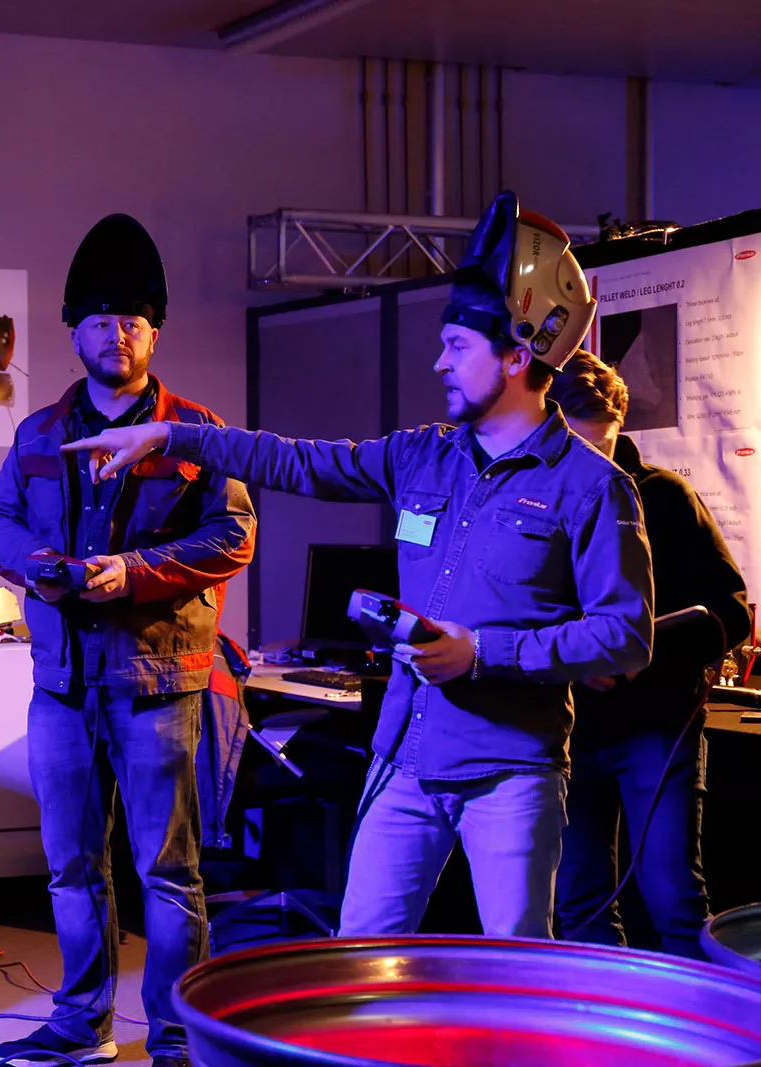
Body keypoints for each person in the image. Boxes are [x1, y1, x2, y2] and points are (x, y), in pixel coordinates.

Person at [59, 192, 655, 940]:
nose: (439, 361)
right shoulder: (423, 455)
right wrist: (172, 436)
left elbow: (626, 636)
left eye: (457, 346)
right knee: (361, 959)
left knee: (514, 964)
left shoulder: (593, 487)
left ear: (517, 355)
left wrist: (481, 651)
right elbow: (297, 461)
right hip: (404, 758)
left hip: (512, 775)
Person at [0, 213, 256, 1067]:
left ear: (153, 331)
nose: (116, 334)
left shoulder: (196, 432)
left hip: (158, 686)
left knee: (168, 870)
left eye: (132, 320)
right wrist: (34, 564)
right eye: (101, 320)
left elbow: (234, 534)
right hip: (62, 685)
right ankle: (80, 1023)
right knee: (71, 865)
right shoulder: (38, 434)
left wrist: (132, 572)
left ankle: (173, 1036)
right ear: (76, 331)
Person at [549, 351, 749, 957]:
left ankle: (698, 1020)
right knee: (579, 902)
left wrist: (638, 655)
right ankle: (597, 1018)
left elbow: (732, 610)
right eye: (578, 451)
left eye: (602, 448)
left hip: (657, 728)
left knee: (674, 900)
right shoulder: (535, 500)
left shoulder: (666, 497)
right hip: (567, 733)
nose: (594, 468)